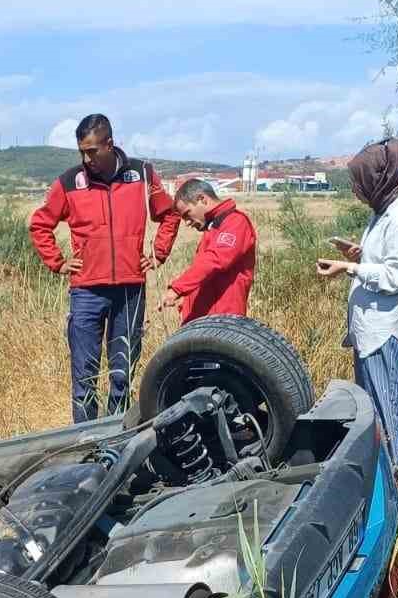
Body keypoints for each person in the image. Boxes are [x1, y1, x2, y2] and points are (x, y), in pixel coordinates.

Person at [29, 113, 179, 422]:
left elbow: (170, 214)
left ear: (109, 144)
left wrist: (158, 252)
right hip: (86, 292)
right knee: (84, 379)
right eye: (81, 151)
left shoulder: (141, 174)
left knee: (122, 374)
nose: (86, 158)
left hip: (130, 291)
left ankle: (117, 439)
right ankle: (85, 443)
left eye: (92, 151)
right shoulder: (70, 181)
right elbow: (40, 224)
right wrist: (57, 262)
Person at [316, 138, 398, 479]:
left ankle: (393, 472)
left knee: (386, 403)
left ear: (379, 177)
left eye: (360, 182)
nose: (357, 191)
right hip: (378, 324)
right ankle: (383, 468)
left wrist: (350, 269)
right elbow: (393, 259)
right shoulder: (390, 206)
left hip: (387, 326)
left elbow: (395, 276)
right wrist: (361, 254)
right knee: (375, 400)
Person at [157, 178, 256, 323]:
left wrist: (177, 289)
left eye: (187, 214)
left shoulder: (235, 223)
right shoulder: (213, 227)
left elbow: (214, 260)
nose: (188, 223)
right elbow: (205, 276)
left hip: (222, 323)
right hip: (205, 322)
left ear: (202, 199)